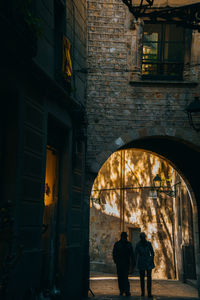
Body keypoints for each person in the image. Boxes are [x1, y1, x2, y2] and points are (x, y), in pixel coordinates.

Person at [112, 232, 135, 296]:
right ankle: (122, 290)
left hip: (125, 263)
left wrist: (132, 263)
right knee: (120, 277)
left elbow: (131, 254)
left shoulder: (128, 244)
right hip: (120, 263)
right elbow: (114, 253)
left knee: (125, 277)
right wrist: (116, 261)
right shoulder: (118, 244)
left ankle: (126, 290)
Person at [135, 232, 155, 298]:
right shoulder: (138, 245)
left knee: (149, 278)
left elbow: (152, 253)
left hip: (148, 262)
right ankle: (143, 292)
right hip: (141, 262)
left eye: (143, 237)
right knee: (142, 278)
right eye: (142, 237)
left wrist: (150, 259)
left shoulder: (148, 244)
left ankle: (149, 293)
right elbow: (136, 254)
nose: (143, 238)